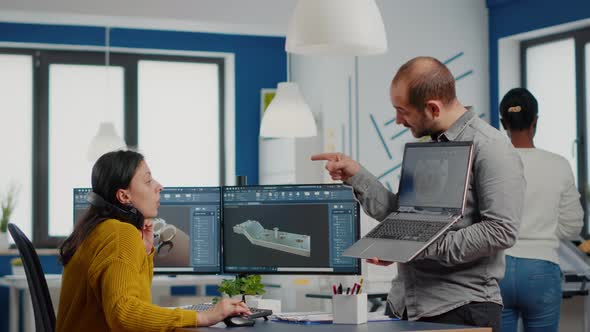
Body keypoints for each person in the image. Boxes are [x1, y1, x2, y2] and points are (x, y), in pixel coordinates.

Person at [312, 56, 525, 332]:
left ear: (433, 108)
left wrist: (417, 245)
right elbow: (402, 214)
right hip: (404, 307)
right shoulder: (428, 147)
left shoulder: (491, 147)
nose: (398, 120)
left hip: (460, 309)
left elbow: (500, 230)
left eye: (402, 111)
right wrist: (356, 175)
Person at [56, 150, 250, 331]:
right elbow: (124, 314)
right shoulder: (120, 234)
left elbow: (134, 301)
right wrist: (202, 317)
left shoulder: (97, 230)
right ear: (124, 196)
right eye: (148, 181)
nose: (159, 186)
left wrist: (146, 251)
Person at [498, 88, 583, 332]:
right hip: (541, 270)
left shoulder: (490, 163)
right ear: (536, 120)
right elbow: (572, 226)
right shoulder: (558, 165)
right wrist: (542, 229)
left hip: (497, 269)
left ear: (504, 123)